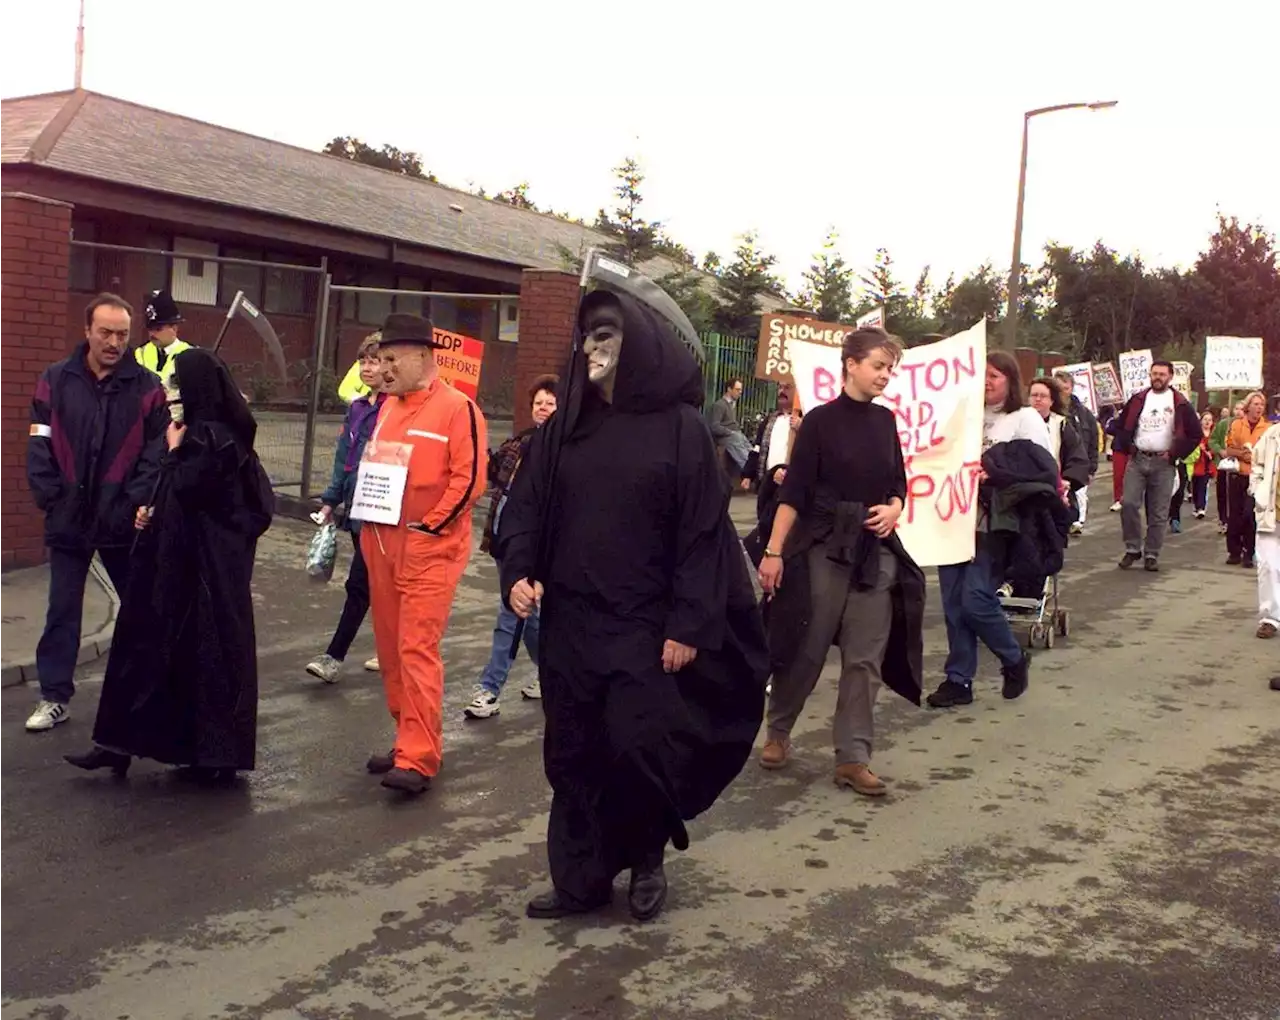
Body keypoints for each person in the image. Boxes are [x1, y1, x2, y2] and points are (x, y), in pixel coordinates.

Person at [497, 288, 768, 923]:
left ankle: (647, 860)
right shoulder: (564, 429)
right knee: (571, 751)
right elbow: (525, 511)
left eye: (607, 336)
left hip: (645, 628)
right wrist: (519, 571)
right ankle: (579, 877)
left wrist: (688, 624)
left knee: (636, 748)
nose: (593, 348)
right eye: (587, 336)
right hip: (570, 622)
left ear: (637, 345)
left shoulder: (681, 432)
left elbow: (703, 537)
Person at [64, 349, 274, 781]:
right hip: (168, 569)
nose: (169, 391)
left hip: (204, 579)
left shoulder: (218, 440)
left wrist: (176, 456)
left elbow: (203, 495)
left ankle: (213, 758)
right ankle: (117, 743)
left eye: (177, 383)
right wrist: (152, 510)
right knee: (141, 649)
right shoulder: (192, 432)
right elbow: (174, 494)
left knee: (203, 661)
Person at [755, 329, 925, 796]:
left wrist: (894, 507)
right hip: (823, 549)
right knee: (806, 647)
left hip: (875, 555)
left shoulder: (886, 422)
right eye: (879, 366)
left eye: (891, 369)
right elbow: (794, 494)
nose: (886, 376)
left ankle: (853, 758)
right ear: (851, 364)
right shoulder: (820, 423)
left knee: (864, 659)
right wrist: (773, 552)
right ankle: (779, 730)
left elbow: (898, 483)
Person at [24, 294, 169, 733]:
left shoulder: (147, 387)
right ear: (87, 330)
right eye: (105, 332)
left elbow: (156, 450)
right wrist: (49, 495)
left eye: (122, 334)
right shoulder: (55, 379)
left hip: (121, 521)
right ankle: (54, 697)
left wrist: (134, 502)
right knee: (62, 610)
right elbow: (38, 439)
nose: (113, 342)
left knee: (139, 608)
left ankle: (144, 694)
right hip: (68, 516)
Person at [357, 313, 487, 796]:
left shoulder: (459, 409)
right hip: (381, 544)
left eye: (391, 359)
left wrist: (430, 527)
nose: (383, 368)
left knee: (415, 650)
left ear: (423, 357)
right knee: (391, 651)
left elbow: (470, 479)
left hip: (429, 551)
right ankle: (407, 735)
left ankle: (419, 756)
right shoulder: (388, 407)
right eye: (380, 359)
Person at [926, 352, 1045, 709]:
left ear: (1010, 380)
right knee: (952, 603)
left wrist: (995, 475)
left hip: (994, 523)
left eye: (995, 376)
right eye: (983, 376)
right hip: (952, 518)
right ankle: (958, 679)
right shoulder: (964, 418)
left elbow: (1040, 471)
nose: (988, 382)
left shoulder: (1024, 419)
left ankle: (1012, 657)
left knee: (976, 599)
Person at [464, 375, 559, 719]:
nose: (543, 408)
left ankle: (489, 689)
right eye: (539, 403)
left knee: (510, 616)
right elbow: (489, 472)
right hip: (504, 543)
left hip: (534, 550)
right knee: (530, 619)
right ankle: (550, 672)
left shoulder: (560, 452)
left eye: (550, 403)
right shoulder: (519, 443)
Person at [305, 332, 387, 683]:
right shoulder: (357, 408)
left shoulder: (394, 409)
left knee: (361, 583)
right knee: (375, 585)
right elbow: (344, 459)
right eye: (363, 361)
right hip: (355, 510)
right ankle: (393, 649)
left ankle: (333, 656)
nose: (368, 368)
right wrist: (330, 500)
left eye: (375, 361)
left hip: (382, 512)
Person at [1111, 361, 1203, 573]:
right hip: (1138, 459)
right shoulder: (1138, 399)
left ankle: (1152, 553)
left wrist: (1175, 453)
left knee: (1159, 512)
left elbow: (1195, 434)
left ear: (1170, 377)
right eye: (1154, 374)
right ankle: (1133, 548)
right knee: (1129, 504)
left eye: (1162, 374)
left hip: (1164, 463)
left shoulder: (1180, 403)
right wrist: (1127, 445)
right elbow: (1123, 425)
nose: (1157, 377)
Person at [1223, 391, 1270, 568]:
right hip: (1237, 475)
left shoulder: (1268, 428)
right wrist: (1242, 454)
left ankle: (1249, 552)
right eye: (1256, 404)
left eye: (1261, 405)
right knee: (1234, 514)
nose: (1259, 407)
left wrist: (1255, 456)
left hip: (1257, 477)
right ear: (1248, 406)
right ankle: (1234, 551)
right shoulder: (1236, 425)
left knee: (1249, 515)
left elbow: (1269, 452)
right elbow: (1229, 448)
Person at [1028, 378, 1090, 503]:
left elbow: (1077, 455)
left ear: (1052, 400)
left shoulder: (1061, 424)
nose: (1038, 399)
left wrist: (1068, 480)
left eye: (1043, 396)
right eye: (1034, 395)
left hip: (1054, 489)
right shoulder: (1018, 423)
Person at [1052, 371, 1099, 534]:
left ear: (1071, 388)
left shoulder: (1084, 414)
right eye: (1058, 388)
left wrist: (1092, 467)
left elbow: (1093, 440)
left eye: (1065, 388)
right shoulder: (1050, 413)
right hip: (1057, 463)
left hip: (1079, 464)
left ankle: (1077, 521)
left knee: (1078, 494)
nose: (1062, 392)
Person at [1248, 418, 1280, 640]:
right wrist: (1258, 490)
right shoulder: (1272, 435)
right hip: (1272, 511)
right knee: (1268, 566)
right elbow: (1256, 464)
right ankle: (1270, 618)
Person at [135, 290, 193, 387]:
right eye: (150, 329)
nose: (152, 334)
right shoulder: (139, 353)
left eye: (158, 329)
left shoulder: (190, 356)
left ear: (174, 328)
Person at [706, 378, 750, 480]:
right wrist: (730, 432)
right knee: (741, 449)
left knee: (748, 448)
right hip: (725, 437)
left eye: (740, 390)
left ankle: (753, 468)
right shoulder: (719, 405)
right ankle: (749, 470)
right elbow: (714, 426)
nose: (740, 392)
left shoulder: (732, 405)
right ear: (729, 389)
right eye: (737, 389)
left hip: (734, 435)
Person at [1210, 403, 1243, 534]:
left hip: (1240, 466)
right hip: (1224, 465)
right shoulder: (1224, 424)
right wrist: (1220, 450)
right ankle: (1223, 520)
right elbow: (1213, 440)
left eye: (1242, 409)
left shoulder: (1246, 426)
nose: (1239, 412)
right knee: (1223, 494)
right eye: (1236, 408)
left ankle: (1235, 523)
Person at [1185, 412, 1216, 521]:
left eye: (1210, 420)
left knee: (1203, 486)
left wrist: (1210, 452)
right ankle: (1196, 506)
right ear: (1201, 421)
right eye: (1205, 419)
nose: (1207, 422)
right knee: (1195, 486)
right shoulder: (1197, 434)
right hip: (1195, 464)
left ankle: (1201, 508)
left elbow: (1215, 447)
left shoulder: (1213, 435)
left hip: (1207, 466)